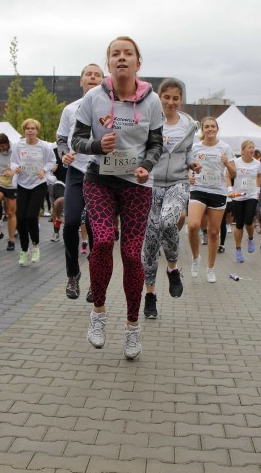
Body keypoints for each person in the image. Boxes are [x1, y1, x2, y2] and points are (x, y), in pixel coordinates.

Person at [72, 36, 163, 359]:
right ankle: (98, 314)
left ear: (138, 63)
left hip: (137, 185)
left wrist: (147, 166)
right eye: (115, 54)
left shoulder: (152, 101)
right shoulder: (93, 99)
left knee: (130, 253)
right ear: (108, 63)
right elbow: (76, 141)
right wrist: (98, 146)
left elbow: (156, 144)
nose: (121, 58)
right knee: (101, 241)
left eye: (128, 54)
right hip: (100, 179)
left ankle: (132, 327)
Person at [141, 78, 199, 318]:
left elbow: (188, 152)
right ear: (159, 97)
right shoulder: (150, 120)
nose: (171, 102)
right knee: (151, 244)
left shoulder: (188, 125)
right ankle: (150, 296)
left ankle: (173, 268)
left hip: (177, 183)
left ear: (181, 99)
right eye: (167, 97)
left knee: (168, 221)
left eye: (176, 98)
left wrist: (192, 162)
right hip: (151, 184)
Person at [57, 64, 102, 299]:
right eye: (88, 74)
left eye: (97, 74)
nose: (92, 77)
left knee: (96, 229)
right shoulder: (70, 109)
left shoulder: (111, 107)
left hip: (101, 172)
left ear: (104, 80)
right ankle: (72, 275)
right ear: (81, 80)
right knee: (71, 223)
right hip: (75, 171)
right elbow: (61, 138)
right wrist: (63, 153)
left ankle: (96, 281)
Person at [187, 117, 236, 283]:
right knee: (193, 225)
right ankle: (195, 258)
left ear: (217, 128)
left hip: (218, 192)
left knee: (214, 232)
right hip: (199, 189)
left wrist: (227, 164)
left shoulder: (225, 148)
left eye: (212, 126)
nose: (209, 129)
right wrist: (189, 177)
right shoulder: (195, 148)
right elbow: (188, 167)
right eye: (206, 126)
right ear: (202, 129)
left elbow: (234, 173)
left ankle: (211, 268)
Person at [11, 118, 55, 266]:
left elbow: (52, 161)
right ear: (24, 130)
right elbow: (13, 161)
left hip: (38, 183)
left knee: (31, 216)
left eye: (33, 128)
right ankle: (24, 249)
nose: (30, 131)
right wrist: (15, 168)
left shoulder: (44, 146)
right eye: (27, 128)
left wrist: (44, 170)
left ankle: (35, 245)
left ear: (37, 130)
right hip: (23, 183)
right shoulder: (18, 145)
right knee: (21, 218)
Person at [229, 140, 261, 263]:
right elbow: (228, 175)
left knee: (249, 220)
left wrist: (258, 191)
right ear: (243, 150)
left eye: (253, 147)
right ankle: (238, 250)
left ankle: (251, 238)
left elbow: (259, 176)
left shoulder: (257, 163)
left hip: (251, 195)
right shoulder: (236, 163)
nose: (252, 150)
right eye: (249, 147)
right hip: (238, 195)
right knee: (239, 224)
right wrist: (230, 190)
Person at [49, 146, 66, 242]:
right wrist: (51, 169)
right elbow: (47, 166)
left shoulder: (76, 148)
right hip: (59, 181)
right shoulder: (54, 151)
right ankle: (56, 232)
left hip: (75, 182)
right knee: (58, 202)